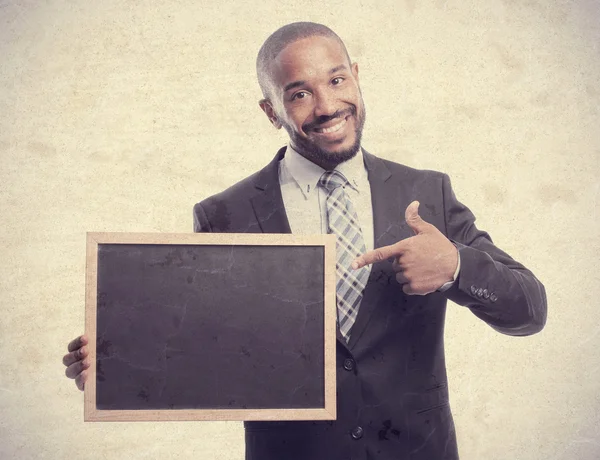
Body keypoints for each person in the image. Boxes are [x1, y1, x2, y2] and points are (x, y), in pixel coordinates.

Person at [63, 22, 547, 460]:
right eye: (298, 93)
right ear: (270, 111)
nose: (327, 106)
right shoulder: (223, 215)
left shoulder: (428, 194)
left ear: (356, 75)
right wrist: (122, 369)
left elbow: (530, 310)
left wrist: (456, 266)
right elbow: (211, 354)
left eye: (337, 80)